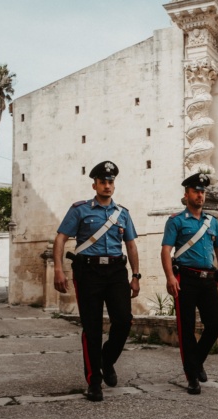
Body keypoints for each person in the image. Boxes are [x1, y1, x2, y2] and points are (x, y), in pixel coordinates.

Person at [53, 161, 141, 402]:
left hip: (116, 273)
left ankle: (107, 360)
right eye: (102, 181)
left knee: (123, 321)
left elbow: (131, 245)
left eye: (110, 181)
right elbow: (60, 238)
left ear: (114, 184)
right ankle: (94, 381)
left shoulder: (122, 214)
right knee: (92, 328)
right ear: (94, 184)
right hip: (88, 272)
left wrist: (135, 275)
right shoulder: (80, 210)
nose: (107, 185)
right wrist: (58, 269)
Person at [161, 172, 218, 395]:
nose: (200, 195)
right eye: (196, 191)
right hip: (186, 279)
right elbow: (165, 251)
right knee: (186, 329)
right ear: (187, 194)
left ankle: (196, 362)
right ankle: (191, 376)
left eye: (202, 192)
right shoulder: (176, 221)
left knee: (214, 325)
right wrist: (170, 277)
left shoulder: (211, 222)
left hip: (208, 279)